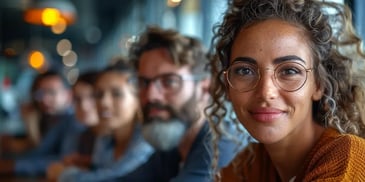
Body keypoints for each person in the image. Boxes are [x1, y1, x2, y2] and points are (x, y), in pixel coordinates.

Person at [207, 0, 365, 181]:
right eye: (245, 71)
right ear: (227, 84)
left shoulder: (348, 159)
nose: (266, 92)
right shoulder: (249, 165)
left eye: (289, 71)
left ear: (319, 84)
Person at [119, 26, 243, 182]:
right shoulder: (174, 148)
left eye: (169, 81)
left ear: (205, 88)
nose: (151, 96)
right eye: (143, 82)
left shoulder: (222, 146)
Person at [50, 58, 154, 181]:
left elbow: (115, 179)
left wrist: (64, 175)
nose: (104, 102)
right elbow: (101, 171)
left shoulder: (147, 138)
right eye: (99, 94)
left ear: (138, 98)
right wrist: (86, 164)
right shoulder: (105, 136)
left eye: (116, 94)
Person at [0, 70, 82, 176]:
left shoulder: (73, 121)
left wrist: (12, 165)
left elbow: (64, 161)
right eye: (41, 93)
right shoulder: (53, 119)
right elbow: (39, 152)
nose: (44, 99)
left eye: (51, 92)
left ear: (68, 94)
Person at [47, 70, 100, 180]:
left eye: (92, 97)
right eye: (78, 99)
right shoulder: (85, 136)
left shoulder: (115, 137)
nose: (84, 106)